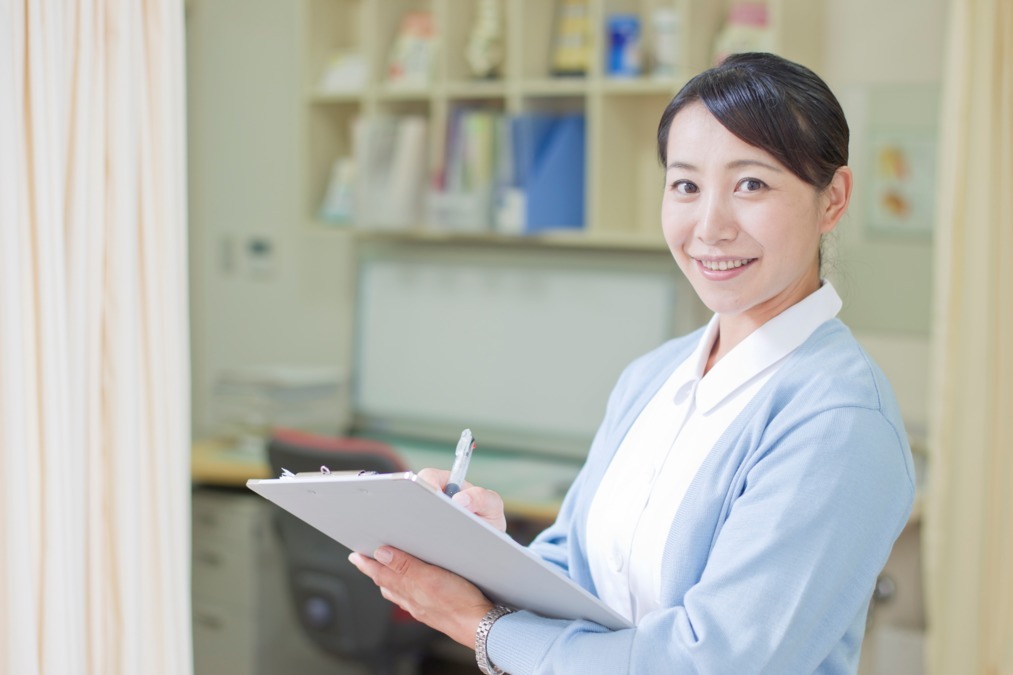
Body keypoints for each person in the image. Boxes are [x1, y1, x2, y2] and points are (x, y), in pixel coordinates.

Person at [349, 52, 915, 674]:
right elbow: (577, 579)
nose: (710, 226)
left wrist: (479, 626)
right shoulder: (654, 376)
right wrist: (475, 549)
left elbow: (717, 664)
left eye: (752, 184)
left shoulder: (839, 420)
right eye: (686, 185)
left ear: (832, 199)